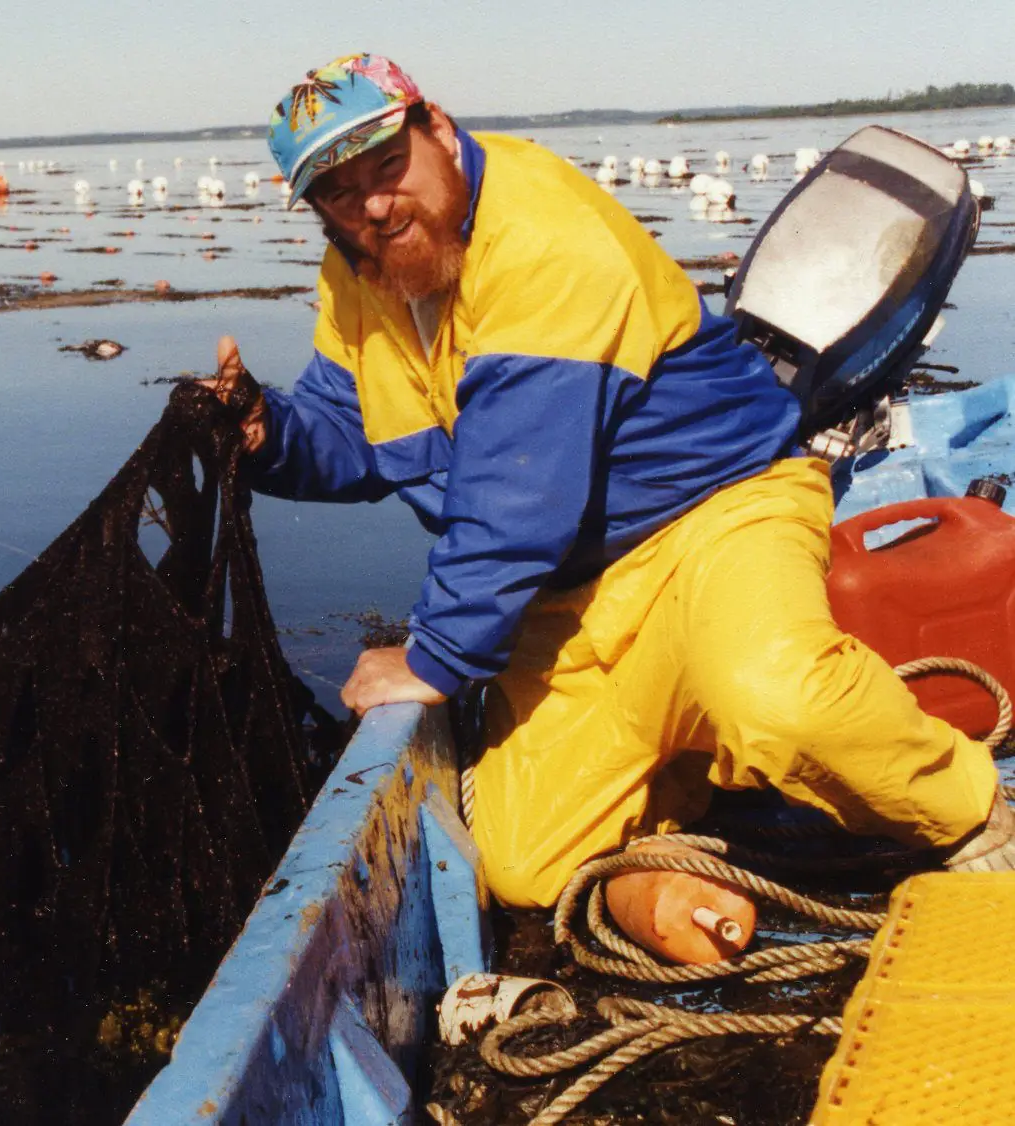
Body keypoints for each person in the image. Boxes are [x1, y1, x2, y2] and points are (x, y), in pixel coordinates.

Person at [205, 52, 1010, 908]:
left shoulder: (539, 236)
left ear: (435, 130)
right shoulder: (360, 273)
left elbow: (517, 494)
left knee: (778, 700)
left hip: (715, 518)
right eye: (336, 190)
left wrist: (435, 658)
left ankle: (969, 813)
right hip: (574, 592)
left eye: (386, 164)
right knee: (525, 867)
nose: (372, 204)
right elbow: (354, 426)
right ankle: (697, 752)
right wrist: (268, 435)